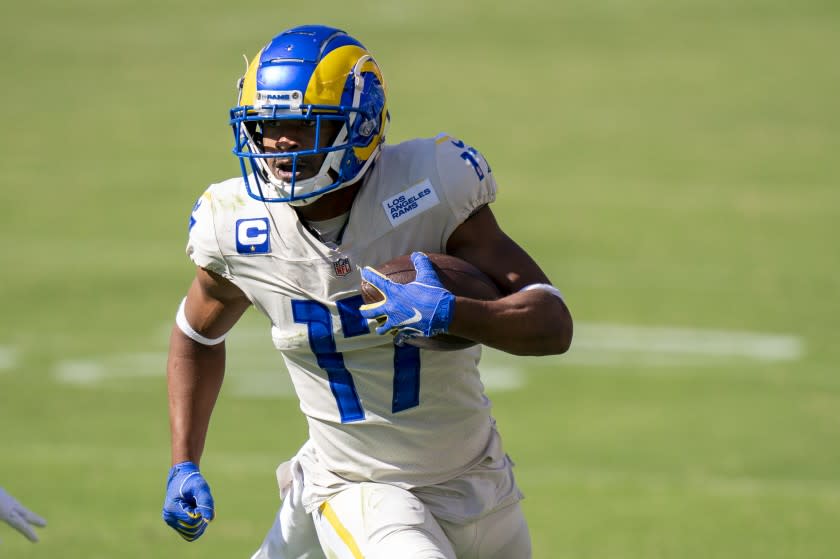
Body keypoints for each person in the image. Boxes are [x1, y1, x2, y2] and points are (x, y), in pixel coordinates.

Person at [162, 24, 573, 558]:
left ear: (359, 128)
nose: (280, 143)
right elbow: (195, 333)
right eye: (266, 125)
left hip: (479, 477)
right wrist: (184, 460)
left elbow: (552, 323)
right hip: (358, 486)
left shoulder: (429, 187)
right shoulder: (237, 228)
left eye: (303, 126)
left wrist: (452, 312)